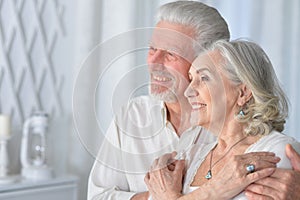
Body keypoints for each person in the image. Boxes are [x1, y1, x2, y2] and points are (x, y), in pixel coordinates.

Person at [88, 1, 300, 199]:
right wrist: (208, 191)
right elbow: (98, 196)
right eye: (152, 49)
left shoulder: (270, 153)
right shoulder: (191, 152)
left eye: (171, 54)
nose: (154, 62)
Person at [144, 40, 300, 199]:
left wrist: (168, 197)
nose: (188, 91)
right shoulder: (190, 156)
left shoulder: (276, 153)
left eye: (204, 78)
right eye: (191, 79)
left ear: (243, 93)